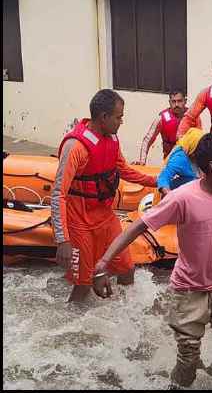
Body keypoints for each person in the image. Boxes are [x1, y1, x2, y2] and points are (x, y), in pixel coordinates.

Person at [92, 133, 212, 388]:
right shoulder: (183, 198)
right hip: (188, 291)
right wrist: (103, 264)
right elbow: (138, 226)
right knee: (187, 362)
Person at [52, 89, 157, 303]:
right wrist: (62, 240)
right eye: (119, 117)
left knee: (127, 269)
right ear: (103, 117)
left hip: (105, 217)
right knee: (83, 284)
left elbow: (124, 170)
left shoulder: (112, 139)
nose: (121, 122)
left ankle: (125, 316)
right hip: (79, 221)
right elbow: (58, 194)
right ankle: (72, 332)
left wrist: (156, 182)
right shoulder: (76, 147)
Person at [133, 91, 200, 165]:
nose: (176, 104)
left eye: (180, 101)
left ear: (185, 101)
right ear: (169, 102)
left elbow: (199, 141)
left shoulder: (193, 116)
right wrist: (142, 161)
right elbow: (147, 140)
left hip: (190, 161)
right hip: (169, 162)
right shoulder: (161, 118)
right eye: (173, 101)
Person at [157, 127, 205, 198]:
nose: (202, 152)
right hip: (178, 194)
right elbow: (163, 177)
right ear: (193, 147)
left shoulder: (203, 156)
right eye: (199, 149)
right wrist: (170, 195)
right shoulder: (180, 158)